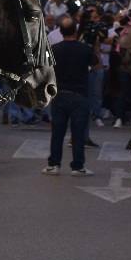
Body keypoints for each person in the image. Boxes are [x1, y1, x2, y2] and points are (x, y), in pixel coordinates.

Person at [43, 16, 96, 176]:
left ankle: (54, 164)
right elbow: (96, 63)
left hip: (59, 95)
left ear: (61, 31)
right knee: (78, 133)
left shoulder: (54, 49)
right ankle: (77, 166)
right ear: (75, 30)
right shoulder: (85, 49)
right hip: (80, 95)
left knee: (57, 132)